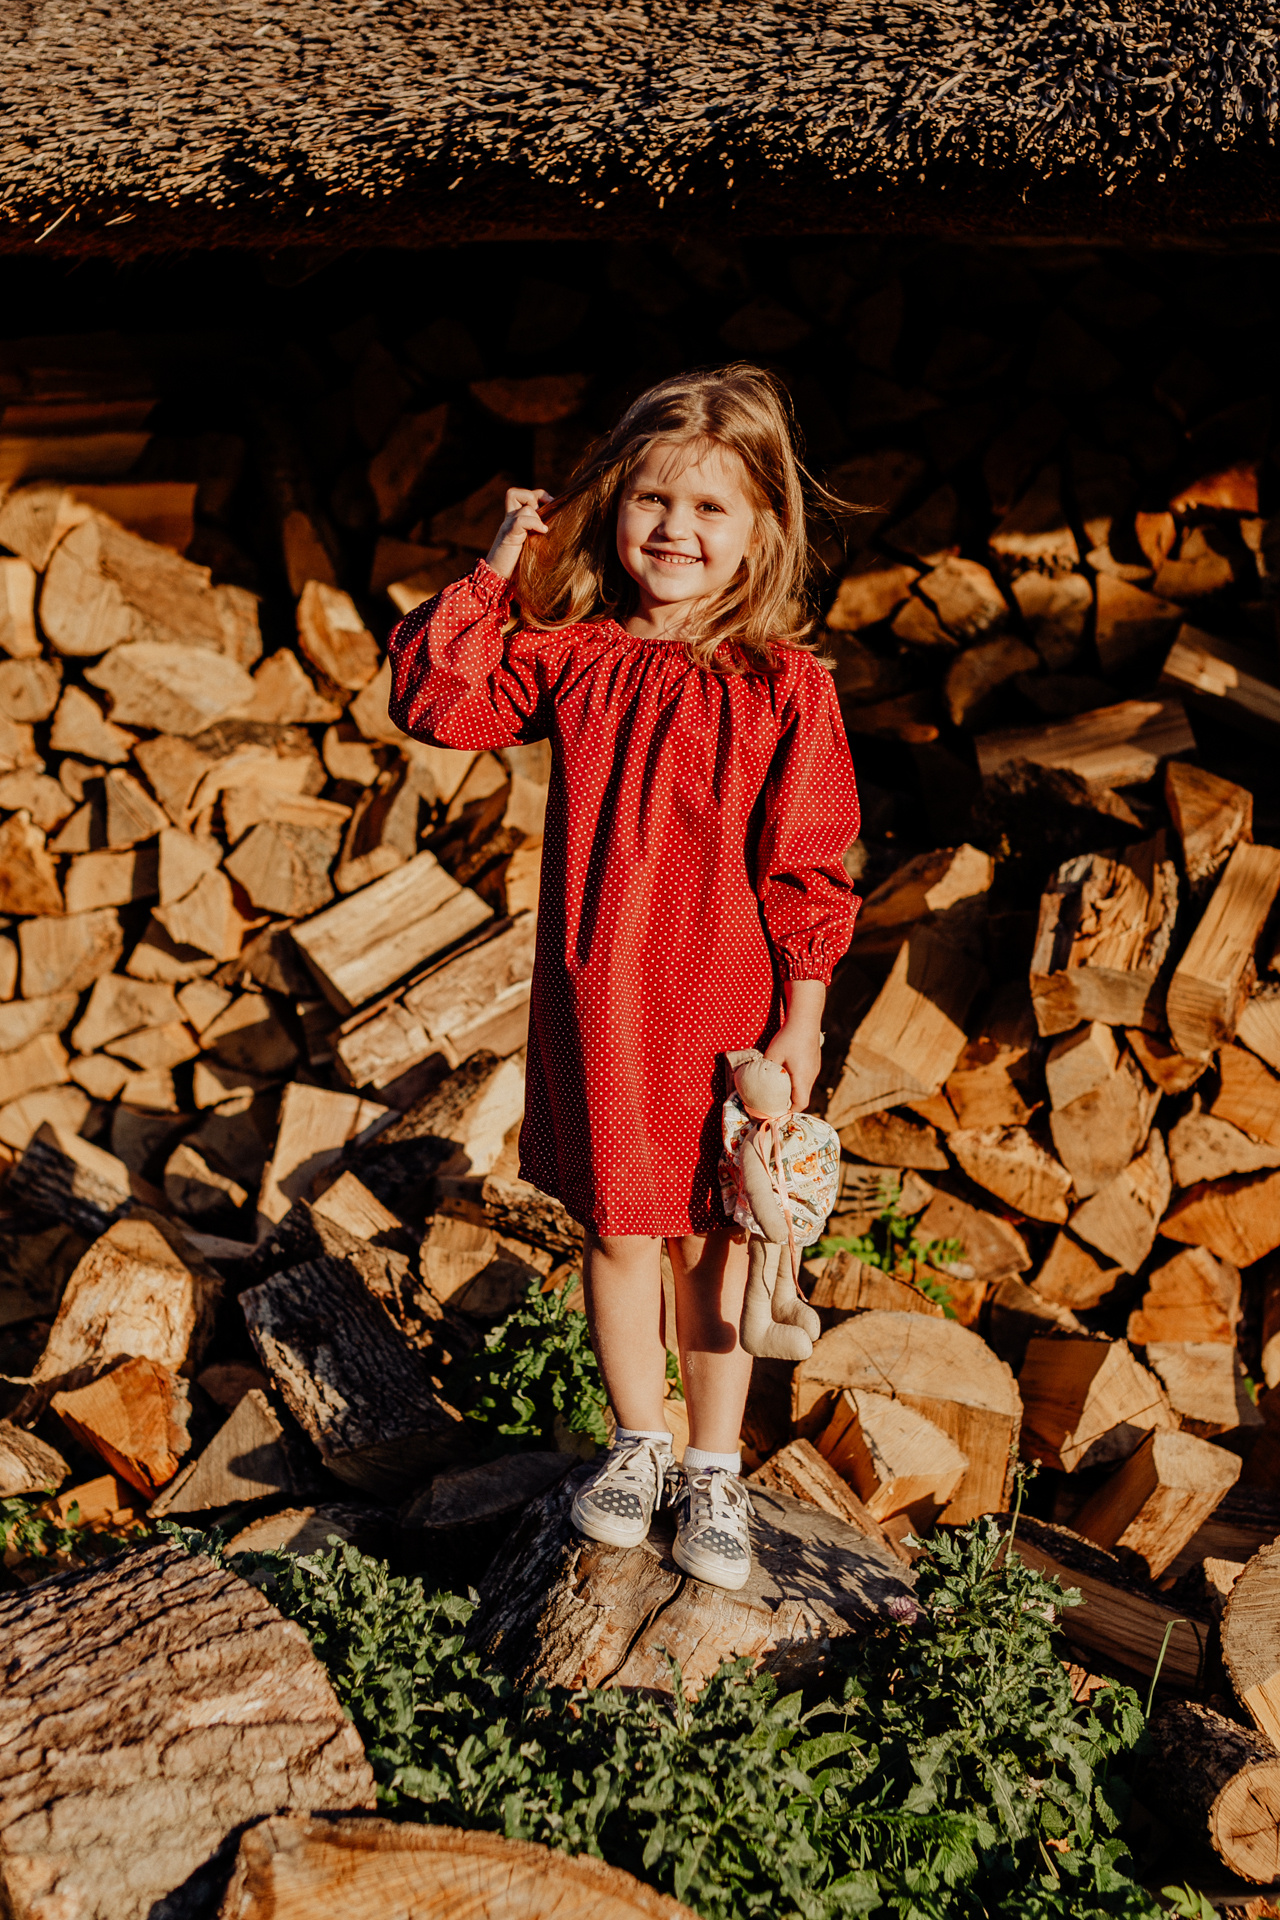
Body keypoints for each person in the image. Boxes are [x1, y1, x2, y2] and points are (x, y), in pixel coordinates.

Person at [387, 363, 860, 1592]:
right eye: (652, 499)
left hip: (724, 1003)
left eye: (709, 509)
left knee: (718, 1242)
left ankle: (713, 1469)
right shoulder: (579, 657)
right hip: (599, 996)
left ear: (761, 529)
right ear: (614, 509)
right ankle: (637, 1444)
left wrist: (801, 1021)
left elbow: (808, 861)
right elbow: (438, 701)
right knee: (618, 1225)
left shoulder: (782, 686)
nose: (673, 530)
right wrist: (498, 562)